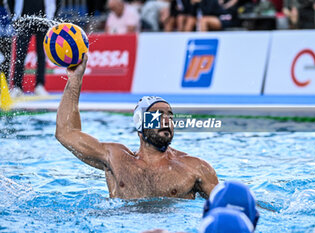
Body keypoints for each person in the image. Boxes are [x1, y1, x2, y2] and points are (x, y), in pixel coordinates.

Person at [55, 55, 218, 199]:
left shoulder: (196, 168)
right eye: (158, 114)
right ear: (140, 124)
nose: (166, 120)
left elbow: (227, 207)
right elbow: (66, 133)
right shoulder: (115, 158)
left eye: (170, 115)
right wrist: (75, 80)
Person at [6, 0, 57, 97]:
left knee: (41, 54)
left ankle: (40, 85)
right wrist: (14, 16)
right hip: (23, 19)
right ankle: (17, 87)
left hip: (43, 20)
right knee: (20, 53)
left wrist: (52, 17)